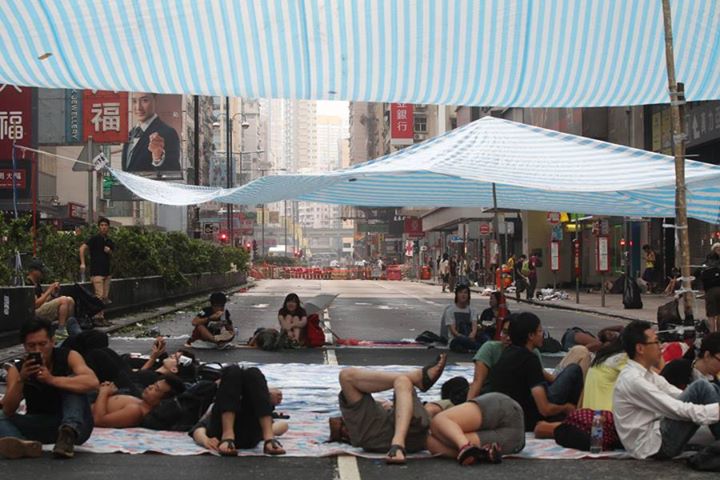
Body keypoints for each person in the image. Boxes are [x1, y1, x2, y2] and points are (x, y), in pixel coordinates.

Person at [613, 320, 720, 459]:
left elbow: (676, 394)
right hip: (653, 446)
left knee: (709, 388)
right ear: (640, 349)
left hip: (659, 432)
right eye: (656, 342)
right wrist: (715, 410)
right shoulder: (633, 380)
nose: (661, 346)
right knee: (701, 387)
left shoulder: (648, 374)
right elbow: (674, 408)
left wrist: (709, 406)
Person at [0, 319, 99, 459]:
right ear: (25, 346)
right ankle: (23, 444)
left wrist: (52, 380)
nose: (37, 350)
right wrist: (21, 380)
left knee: (73, 383)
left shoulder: (69, 356)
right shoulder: (17, 370)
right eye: (31, 346)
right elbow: (7, 410)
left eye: (42, 344)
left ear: (52, 342)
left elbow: (92, 382)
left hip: (76, 425)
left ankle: (67, 433)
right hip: (42, 424)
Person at [333, 354, 447, 464]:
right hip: (382, 433)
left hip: (396, 433)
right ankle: (416, 378)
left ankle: (398, 445)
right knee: (346, 375)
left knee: (347, 375)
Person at [481, 312, 583, 432]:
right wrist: (565, 407)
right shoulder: (530, 359)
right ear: (530, 335)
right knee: (574, 370)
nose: (542, 334)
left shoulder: (508, 352)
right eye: (539, 331)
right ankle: (573, 418)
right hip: (527, 418)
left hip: (506, 414)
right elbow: (544, 408)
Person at [190, 366, 287, 456]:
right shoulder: (258, 415)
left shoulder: (255, 410)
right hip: (231, 434)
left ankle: (267, 438)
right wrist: (206, 440)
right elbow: (198, 429)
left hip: (243, 435)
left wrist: (205, 440)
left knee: (248, 372)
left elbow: (198, 429)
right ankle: (267, 439)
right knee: (237, 371)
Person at [427, 392, 525, 465]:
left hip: (507, 414)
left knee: (438, 423)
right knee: (431, 443)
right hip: (513, 440)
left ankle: (466, 447)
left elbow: (430, 410)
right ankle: (475, 452)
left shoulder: (439, 405)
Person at [91, 375, 185, 428]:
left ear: (161, 402)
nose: (150, 386)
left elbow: (99, 420)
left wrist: (103, 392)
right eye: (153, 384)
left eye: (156, 389)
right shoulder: (139, 402)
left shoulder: (135, 411)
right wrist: (108, 391)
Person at [122, 92, 181, 172]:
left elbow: (173, 171)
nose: (138, 107)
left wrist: (158, 158)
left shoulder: (168, 133)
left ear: (155, 101)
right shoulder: (130, 133)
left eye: (145, 100)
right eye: (134, 101)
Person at [26, 259, 77, 339]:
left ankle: (68, 327)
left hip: (40, 309)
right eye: (40, 271)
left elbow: (43, 301)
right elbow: (35, 304)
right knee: (63, 300)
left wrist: (52, 295)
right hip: (32, 313)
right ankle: (60, 331)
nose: (42, 273)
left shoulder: (37, 283)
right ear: (33, 271)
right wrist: (49, 290)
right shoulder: (28, 283)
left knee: (70, 300)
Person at [79, 217, 115, 327]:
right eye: (102, 225)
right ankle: (96, 318)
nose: (103, 227)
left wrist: (109, 251)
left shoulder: (109, 241)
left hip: (106, 272)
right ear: (99, 227)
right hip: (96, 272)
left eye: (105, 225)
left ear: (108, 227)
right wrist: (83, 263)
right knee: (99, 296)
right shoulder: (94, 239)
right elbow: (82, 248)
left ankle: (101, 317)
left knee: (104, 297)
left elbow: (113, 254)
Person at [439, 285, 480, 353]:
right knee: (459, 341)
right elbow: (453, 331)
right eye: (460, 292)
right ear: (456, 295)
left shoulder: (472, 310)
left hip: (469, 337)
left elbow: (474, 326)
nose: (463, 295)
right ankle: (476, 348)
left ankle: (471, 348)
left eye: (465, 293)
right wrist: (465, 338)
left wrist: (472, 335)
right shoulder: (450, 310)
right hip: (456, 339)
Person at [702, 243, 720, 333]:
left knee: (711, 315)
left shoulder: (707, 262)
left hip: (710, 290)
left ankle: (712, 334)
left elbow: (700, 274)